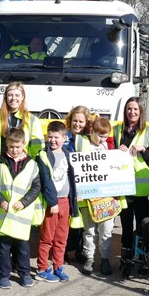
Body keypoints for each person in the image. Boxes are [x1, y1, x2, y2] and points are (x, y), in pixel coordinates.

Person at [0, 127, 43, 289]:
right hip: (3, 212)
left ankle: (24, 273)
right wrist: (1, 201)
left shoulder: (32, 165)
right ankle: (3, 274)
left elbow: (36, 187)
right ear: (7, 144)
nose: (14, 150)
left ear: (24, 145)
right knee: (3, 248)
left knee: (23, 247)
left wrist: (24, 202)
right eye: (11, 147)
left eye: (18, 147)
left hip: (21, 213)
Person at [113, 97, 149, 269]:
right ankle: (125, 260)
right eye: (129, 109)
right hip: (124, 188)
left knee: (142, 226)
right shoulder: (118, 130)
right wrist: (117, 151)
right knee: (125, 227)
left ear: (140, 112)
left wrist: (143, 149)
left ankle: (142, 260)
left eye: (135, 109)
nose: (132, 112)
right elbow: (108, 153)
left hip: (143, 190)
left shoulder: (148, 131)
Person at [34, 120, 78, 283]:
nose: (52, 140)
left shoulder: (67, 153)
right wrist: (52, 202)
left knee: (61, 237)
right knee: (47, 238)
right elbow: (45, 180)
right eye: (50, 137)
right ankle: (42, 268)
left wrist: (74, 196)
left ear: (64, 137)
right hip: (51, 204)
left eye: (56, 137)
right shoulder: (43, 155)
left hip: (66, 201)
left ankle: (58, 265)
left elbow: (71, 177)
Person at [78, 117, 122, 276]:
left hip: (106, 198)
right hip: (88, 198)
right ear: (91, 131)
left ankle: (104, 258)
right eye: (100, 135)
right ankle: (89, 257)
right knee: (89, 230)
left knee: (106, 231)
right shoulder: (83, 145)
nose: (102, 139)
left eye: (105, 136)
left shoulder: (109, 147)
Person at [0, 81, 44, 163]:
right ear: (5, 97)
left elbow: (38, 148)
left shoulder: (32, 120)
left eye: (17, 95)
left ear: (22, 97)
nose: (13, 98)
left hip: (22, 166)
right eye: (10, 95)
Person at [64, 105, 92, 262]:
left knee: (82, 220)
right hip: (66, 184)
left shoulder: (89, 139)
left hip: (82, 185)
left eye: (81, 121)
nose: (77, 124)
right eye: (75, 120)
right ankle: (65, 250)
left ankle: (80, 250)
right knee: (67, 219)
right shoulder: (64, 136)